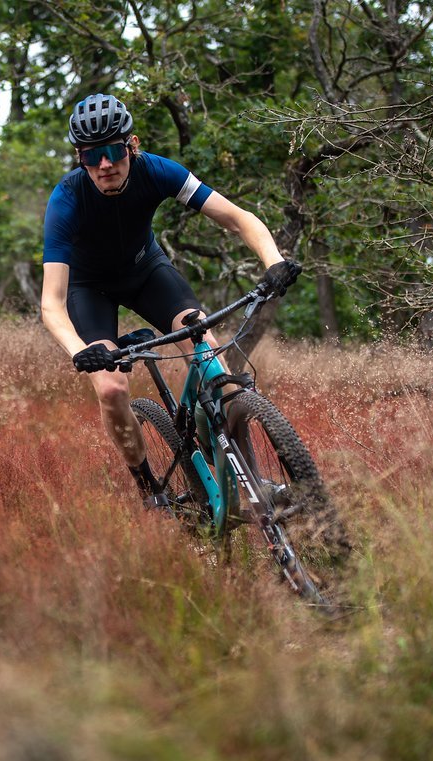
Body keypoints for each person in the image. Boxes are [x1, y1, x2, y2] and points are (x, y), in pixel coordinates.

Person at [40, 93, 301, 509]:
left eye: (112, 151)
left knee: (208, 354)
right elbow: (51, 302)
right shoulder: (67, 198)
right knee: (110, 387)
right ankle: (150, 491)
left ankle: (250, 484)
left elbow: (237, 218)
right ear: (80, 158)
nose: (105, 165)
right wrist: (81, 350)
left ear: (132, 145)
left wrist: (274, 261)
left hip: (147, 272)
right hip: (89, 289)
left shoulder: (158, 171)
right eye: (92, 157)